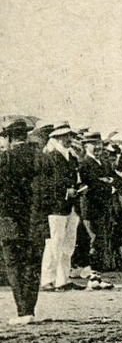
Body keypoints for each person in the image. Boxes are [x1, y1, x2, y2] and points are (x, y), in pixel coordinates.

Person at [0, 116, 46, 325]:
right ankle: (31, 310)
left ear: (9, 137)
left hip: (11, 221)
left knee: (15, 266)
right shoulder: (43, 158)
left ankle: (22, 311)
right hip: (37, 220)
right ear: (25, 135)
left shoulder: (5, 159)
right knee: (33, 266)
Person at [37, 126, 85, 292]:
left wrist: (79, 187)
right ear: (56, 138)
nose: (68, 139)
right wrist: (65, 190)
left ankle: (62, 279)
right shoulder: (49, 157)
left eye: (69, 135)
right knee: (54, 243)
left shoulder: (71, 157)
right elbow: (44, 183)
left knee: (68, 244)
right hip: (56, 206)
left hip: (71, 205)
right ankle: (47, 279)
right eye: (64, 136)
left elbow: (75, 178)